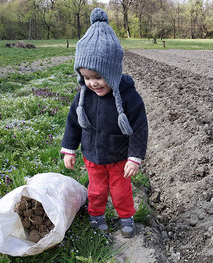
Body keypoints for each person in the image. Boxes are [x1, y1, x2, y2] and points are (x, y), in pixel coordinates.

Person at [61, 8, 148, 238]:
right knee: (97, 190)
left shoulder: (129, 96)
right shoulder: (82, 98)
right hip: (92, 155)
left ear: (111, 72)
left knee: (121, 190)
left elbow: (139, 127)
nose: (92, 83)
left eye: (98, 77)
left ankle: (126, 217)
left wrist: (134, 157)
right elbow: (73, 124)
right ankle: (96, 215)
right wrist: (69, 149)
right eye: (86, 78)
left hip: (119, 156)